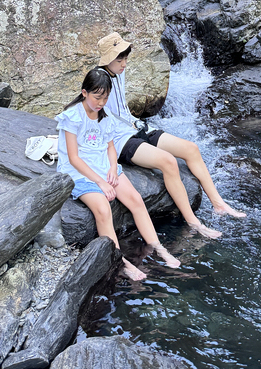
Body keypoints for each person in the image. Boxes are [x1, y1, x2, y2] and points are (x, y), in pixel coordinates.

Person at [98, 32, 247, 239]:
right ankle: (193, 222)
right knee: (168, 162)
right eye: (119, 59)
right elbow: (90, 114)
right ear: (107, 60)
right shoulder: (99, 80)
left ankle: (218, 203)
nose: (124, 63)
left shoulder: (117, 72)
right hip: (120, 140)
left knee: (191, 149)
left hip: (136, 127)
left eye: (124, 58)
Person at [56, 68, 181, 281]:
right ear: (84, 92)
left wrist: (113, 169)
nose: (101, 103)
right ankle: (120, 261)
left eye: (105, 98)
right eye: (97, 97)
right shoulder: (73, 117)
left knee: (135, 200)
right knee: (103, 209)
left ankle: (158, 248)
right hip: (79, 172)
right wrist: (100, 183)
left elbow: (111, 148)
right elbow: (74, 158)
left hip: (103, 165)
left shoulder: (105, 117)